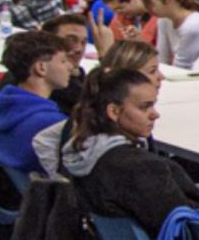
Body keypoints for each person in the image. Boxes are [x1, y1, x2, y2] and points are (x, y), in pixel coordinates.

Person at [57, 67, 199, 233]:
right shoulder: (143, 168)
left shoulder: (77, 154)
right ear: (114, 111)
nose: (155, 115)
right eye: (144, 107)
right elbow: (191, 229)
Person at [32, 40, 159, 176]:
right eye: (152, 71)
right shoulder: (111, 144)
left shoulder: (86, 115)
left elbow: (43, 140)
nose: (160, 77)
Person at [0, 31, 73, 176]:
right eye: (63, 61)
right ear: (41, 68)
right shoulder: (52, 123)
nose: (70, 67)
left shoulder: (1, 106)